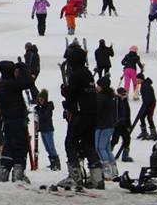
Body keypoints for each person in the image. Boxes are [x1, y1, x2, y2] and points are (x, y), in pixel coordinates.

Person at [59, 44, 103, 190]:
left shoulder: (76, 74)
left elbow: (72, 94)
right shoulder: (88, 73)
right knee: (88, 144)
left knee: (70, 142)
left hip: (80, 113)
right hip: (92, 114)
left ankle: (75, 176)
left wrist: (65, 95)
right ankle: (97, 178)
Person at [0, 60, 33, 183]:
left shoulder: (1, 84)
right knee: (21, 146)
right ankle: (18, 172)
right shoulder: (11, 84)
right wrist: (23, 68)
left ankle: (5, 170)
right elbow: (29, 82)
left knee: (9, 145)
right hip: (18, 119)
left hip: (6, 120)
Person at [94, 77, 117, 180]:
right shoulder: (110, 97)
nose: (96, 87)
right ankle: (114, 170)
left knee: (100, 147)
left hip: (101, 126)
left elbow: (96, 110)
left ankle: (106, 170)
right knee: (107, 148)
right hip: (109, 125)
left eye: (98, 85)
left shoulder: (100, 97)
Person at [35, 90, 61, 171]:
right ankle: (52, 162)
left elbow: (45, 117)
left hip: (48, 129)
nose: (40, 101)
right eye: (39, 99)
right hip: (43, 130)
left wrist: (39, 111)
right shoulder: (41, 108)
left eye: (42, 99)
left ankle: (56, 163)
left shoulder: (48, 107)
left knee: (51, 146)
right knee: (47, 147)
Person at [112, 87, 133, 163]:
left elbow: (128, 113)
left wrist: (129, 124)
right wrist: (114, 122)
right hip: (117, 125)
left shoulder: (125, 102)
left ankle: (125, 155)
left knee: (127, 139)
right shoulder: (116, 101)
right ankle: (109, 153)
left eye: (125, 94)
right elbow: (114, 113)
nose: (125, 96)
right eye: (123, 94)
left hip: (124, 124)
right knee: (114, 140)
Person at [137, 74, 157, 140]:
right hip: (146, 103)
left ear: (141, 79)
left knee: (149, 117)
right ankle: (144, 132)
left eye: (137, 79)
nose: (136, 80)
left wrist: (146, 106)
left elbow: (148, 97)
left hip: (151, 104)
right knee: (142, 116)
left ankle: (153, 134)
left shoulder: (146, 86)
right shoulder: (143, 85)